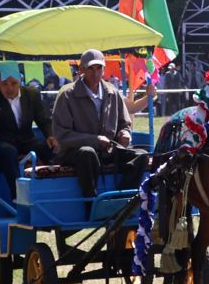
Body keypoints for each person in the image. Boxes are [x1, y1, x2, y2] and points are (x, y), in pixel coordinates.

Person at [50, 49, 146, 198]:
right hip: (75, 153)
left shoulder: (112, 92)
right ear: (81, 69)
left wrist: (125, 133)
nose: (95, 73)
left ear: (104, 69)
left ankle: (122, 202)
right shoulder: (67, 94)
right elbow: (62, 134)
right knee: (88, 153)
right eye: (90, 68)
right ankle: (90, 203)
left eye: (99, 68)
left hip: (107, 150)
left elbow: (124, 123)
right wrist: (94, 140)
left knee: (141, 156)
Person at [0, 68, 53, 201]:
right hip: (3, 143)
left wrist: (51, 136)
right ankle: (17, 195)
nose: (9, 88)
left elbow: (44, 120)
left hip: (27, 141)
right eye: (4, 84)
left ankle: (52, 190)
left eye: (13, 83)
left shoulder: (32, 95)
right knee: (9, 151)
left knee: (48, 148)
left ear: (21, 81)